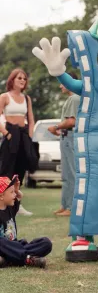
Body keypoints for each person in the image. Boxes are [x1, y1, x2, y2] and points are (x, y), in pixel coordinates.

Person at [0, 68, 36, 216]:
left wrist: (29, 136)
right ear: (12, 80)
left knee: (20, 171)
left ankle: (17, 204)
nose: (22, 80)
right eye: (19, 78)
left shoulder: (26, 98)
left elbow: (31, 120)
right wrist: (6, 133)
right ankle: (3, 203)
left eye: (24, 78)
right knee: (6, 170)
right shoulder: (4, 96)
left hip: (23, 135)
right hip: (10, 135)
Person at [0, 175, 52, 268]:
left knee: (46, 243)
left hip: (15, 246)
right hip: (3, 247)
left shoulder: (10, 208)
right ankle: (27, 259)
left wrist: (15, 190)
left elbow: (19, 195)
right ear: (1, 196)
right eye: (11, 192)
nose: (14, 195)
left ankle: (9, 259)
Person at [48, 72, 80, 217]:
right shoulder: (71, 99)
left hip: (71, 137)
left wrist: (56, 127)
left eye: (62, 82)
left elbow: (71, 121)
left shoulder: (74, 98)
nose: (61, 85)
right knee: (66, 174)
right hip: (66, 137)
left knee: (71, 174)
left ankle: (71, 207)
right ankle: (64, 205)